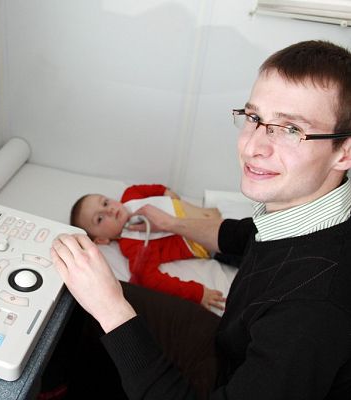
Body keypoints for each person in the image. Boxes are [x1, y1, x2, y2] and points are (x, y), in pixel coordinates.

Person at [48, 40, 351, 399]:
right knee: (76, 296)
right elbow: (240, 236)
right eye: (254, 118)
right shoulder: (304, 214)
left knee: (106, 312)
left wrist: (111, 309)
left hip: (223, 380)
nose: (254, 146)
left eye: (290, 130)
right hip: (226, 345)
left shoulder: (314, 311)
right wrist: (172, 223)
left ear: (344, 152)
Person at [70, 184, 225, 311]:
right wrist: (197, 293)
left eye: (105, 202)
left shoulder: (130, 195)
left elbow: (148, 189)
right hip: (212, 243)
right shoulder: (133, 246)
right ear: (102, 240)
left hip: (221, 214)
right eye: (99, 218)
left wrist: (165, 191)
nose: (108, 209)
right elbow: (150, 280)